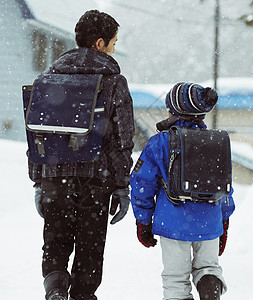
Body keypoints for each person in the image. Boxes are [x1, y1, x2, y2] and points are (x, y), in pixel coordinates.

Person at [29, 10, 135, 300]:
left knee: (55, 242)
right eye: (113, 42)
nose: (114, 48)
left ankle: (55, 290)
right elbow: (123, 139)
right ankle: (82, 295)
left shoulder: (48, 78)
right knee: (90, 249)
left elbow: (37, 133)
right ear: (99, 43)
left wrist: (39, 182)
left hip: (54, 177)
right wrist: (122, 184)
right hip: (95, 180)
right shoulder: (114, 82)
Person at [130, 82, 235, 300]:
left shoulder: (160, 142)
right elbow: (226, 188)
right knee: (208, 268)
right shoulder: (216, 142)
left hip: (173, 223)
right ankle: (210, 289)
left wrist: (143, 221)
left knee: (176, 279)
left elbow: (142, 183)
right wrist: (223, 222)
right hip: (210, 221)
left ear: (173, 111)